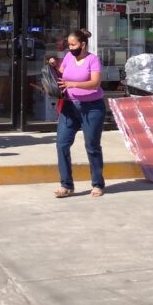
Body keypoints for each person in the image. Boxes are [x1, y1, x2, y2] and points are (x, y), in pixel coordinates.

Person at [49, 28, 106, 198]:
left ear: (82, 45)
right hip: (69, 106)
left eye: (73, 45)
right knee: (62, 144)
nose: (70, 48)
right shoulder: (68, 57)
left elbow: (95, 83)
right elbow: (61, 73)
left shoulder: (93, 60)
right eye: (69, 44)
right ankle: (66, 185)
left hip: (92, 107)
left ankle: (97, 184)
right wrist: (54, 66)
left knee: (92, 146)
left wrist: (73, 84)